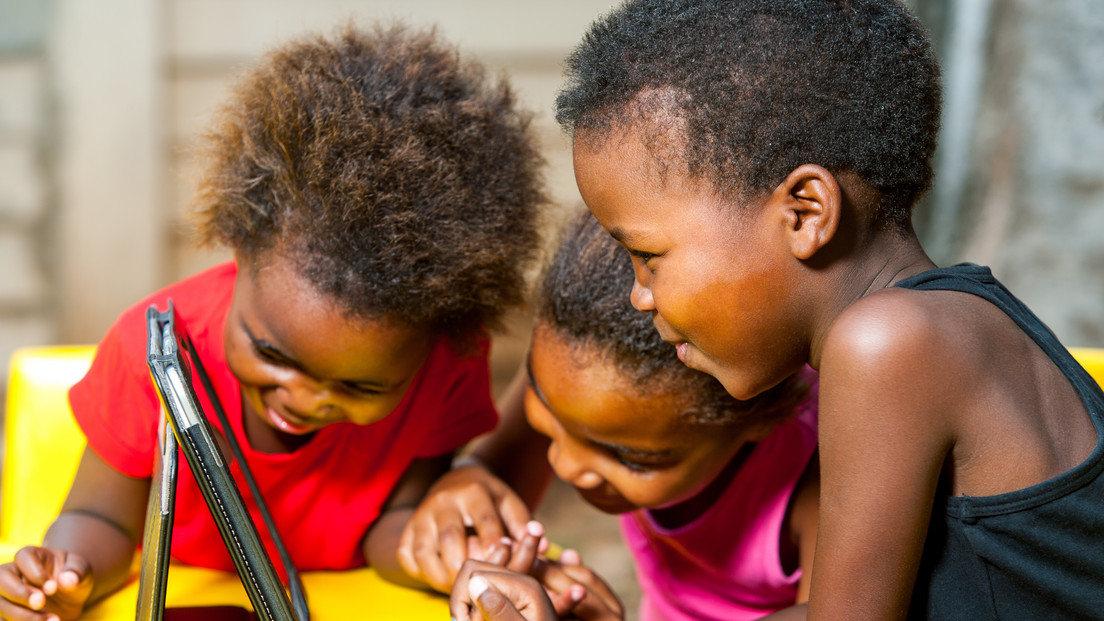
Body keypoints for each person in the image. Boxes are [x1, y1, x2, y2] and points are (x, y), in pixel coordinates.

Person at [456, 0, 1104, 619]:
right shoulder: (944, 319)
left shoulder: (888, 343)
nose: (639, 293)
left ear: (804, 213)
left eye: (648, 255)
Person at [0, 22, 546, 621]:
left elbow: (391, 524)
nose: (306, 398)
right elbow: (100, 518)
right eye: (273, 353)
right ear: (241, 244)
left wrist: (435, 552)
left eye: (361, 386)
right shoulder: (151, 349)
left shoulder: (444, 361)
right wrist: (64, 575)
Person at [415, 211, 821, 621]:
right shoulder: (575, 378)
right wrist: (469, 486)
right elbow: (493, 474)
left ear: (761, 418)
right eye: (548, 413)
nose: (566, 466)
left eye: (628, 456)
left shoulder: (822, 477)